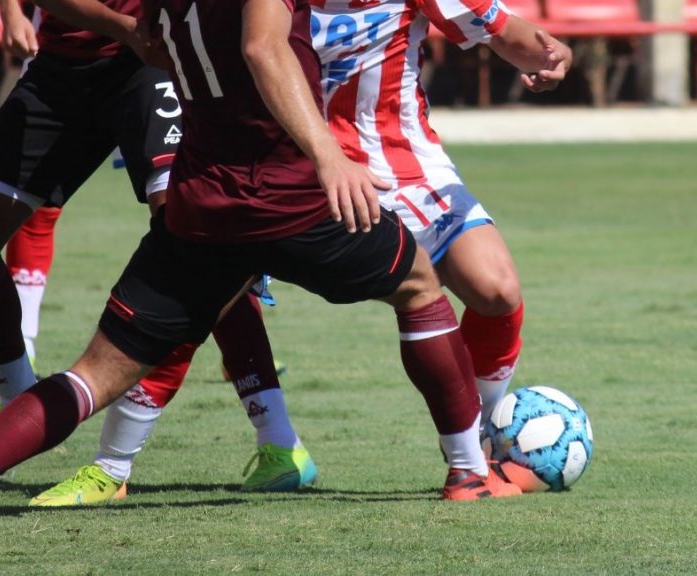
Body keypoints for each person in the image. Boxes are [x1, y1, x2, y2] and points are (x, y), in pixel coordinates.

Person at [0, 0, 539, 523]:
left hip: (202, 211)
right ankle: (469, 472)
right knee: (419, 284)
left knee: (90, 375)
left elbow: (158, 43)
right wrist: (327, 155)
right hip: (289, 195)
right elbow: (263, 50)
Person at [42, 0, 571, 502]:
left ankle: (479, 439)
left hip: (402, 163)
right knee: (194, 310)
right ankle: (112, 465)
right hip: (289, 171)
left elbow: (505, 30)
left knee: (496, 289)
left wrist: (550, 56)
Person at [0, 0, 318, 507]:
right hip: (68, 64)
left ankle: (265, 439)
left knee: (199, 240)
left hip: (152, 62)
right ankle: (17, 401)